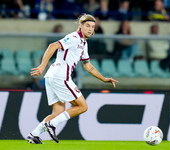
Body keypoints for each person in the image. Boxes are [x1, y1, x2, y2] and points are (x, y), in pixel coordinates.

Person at [26, 14, 118, 144]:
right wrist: (42, 66)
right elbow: (53, 46)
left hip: (53, 76)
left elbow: (88, 65)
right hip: (60, 77)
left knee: (59, 112)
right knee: (83, 106)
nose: (90, 29)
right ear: (80, 26)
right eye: (87, 26)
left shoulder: (83, 43)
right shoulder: (74, 37)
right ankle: (51, 125)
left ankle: (34, 134)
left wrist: (103, 79)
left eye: (92, 26)